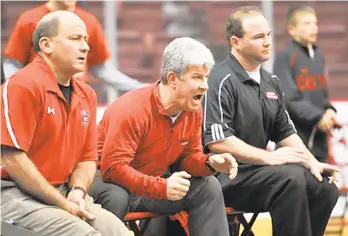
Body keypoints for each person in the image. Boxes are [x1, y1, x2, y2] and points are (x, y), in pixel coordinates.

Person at [202, 6, 339, 236]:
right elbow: (219, 142)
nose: (267, 42)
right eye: (258, 37)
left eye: (268, 35)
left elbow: (285, 133)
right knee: (291, 179)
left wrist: (312, 162)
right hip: (226, 176)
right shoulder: (220, 79)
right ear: (235, 42)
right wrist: (270, 158)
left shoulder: (271, 82)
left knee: (325, 188)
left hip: (260, 172)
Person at [89, 37, 238, 236]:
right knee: (116, 196)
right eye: (197, 77)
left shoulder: (193, 109)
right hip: (107, 181)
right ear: (173, 79)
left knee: (207, 186)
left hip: (151, 184)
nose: (205, 86)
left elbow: (188, 158)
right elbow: (113, 169)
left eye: (206, 77)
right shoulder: (131, 109)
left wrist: (210, 163)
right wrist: (161, 186)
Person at [1, 11, 130, 236]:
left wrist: (77, 192)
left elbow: (87, 158)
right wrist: (61, 203)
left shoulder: (87, 94)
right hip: (13, 192)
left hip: (63, 190)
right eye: (75, 39)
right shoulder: (21, 86)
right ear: (46, 45)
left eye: (86, 40)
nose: (85, 47)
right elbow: (13, 160)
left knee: (121, 233)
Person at [3, 0, 145, 101]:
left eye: (83, 39)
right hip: (38, 99)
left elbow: (102, 69)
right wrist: (19, 92)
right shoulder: (29, 19)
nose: (84, 46)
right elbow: (12, 65)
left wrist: (137, 87)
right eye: (75, 38)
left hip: (76, 101)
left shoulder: (90, 22)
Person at [273, 6, 343, 163]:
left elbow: (322, 92)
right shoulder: (285, 56)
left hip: (320, 136)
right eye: (306, 23)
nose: (313, 28)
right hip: (296, 136)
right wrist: (318, 116)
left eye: (315, 23)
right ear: (292, 29)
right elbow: (288, 98)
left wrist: (329, 110)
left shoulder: (318, 54)